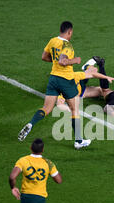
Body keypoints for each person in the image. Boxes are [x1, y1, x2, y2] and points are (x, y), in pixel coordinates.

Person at [18, 21, 100, 149]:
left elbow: (44, 57)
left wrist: (56, 60)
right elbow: (62, 61)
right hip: (66, 80)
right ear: (69, 32)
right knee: (74, 110)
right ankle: (78, 141)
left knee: (46, 109)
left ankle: (31, 124)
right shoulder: (67, 46)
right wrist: (75, 60)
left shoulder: (52, 41)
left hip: (53, 79)